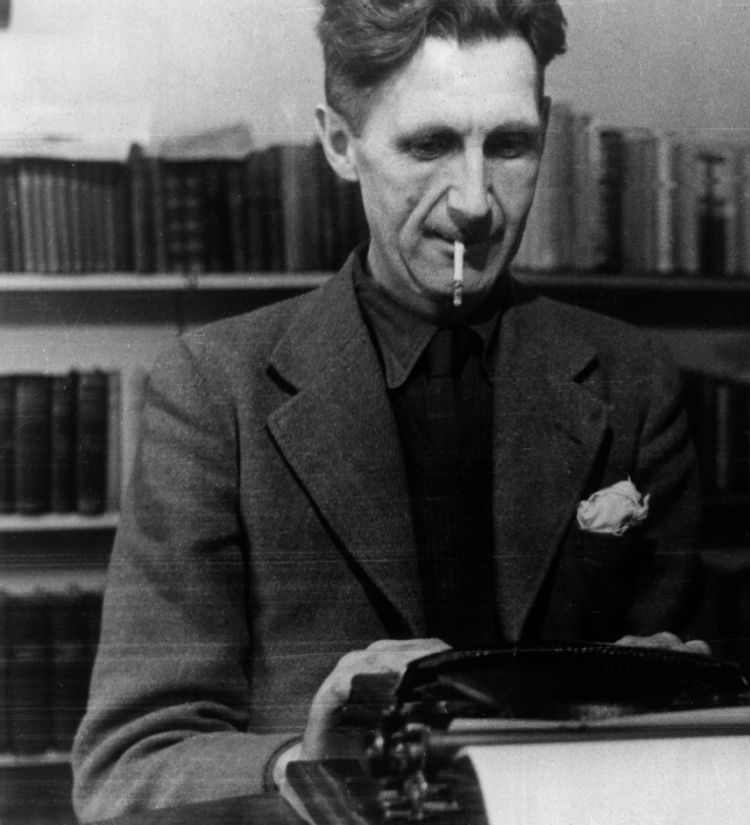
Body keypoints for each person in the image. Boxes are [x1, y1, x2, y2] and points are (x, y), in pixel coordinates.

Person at [71, 0, 707, 820]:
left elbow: (694, 723)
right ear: (340, 143)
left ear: (546, 128)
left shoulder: (634, 381)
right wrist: (307, 766)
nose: (474, 203)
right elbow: (127, 769)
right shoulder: (213, 389)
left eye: (509, 145)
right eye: (429, 145)